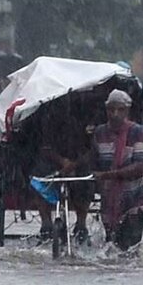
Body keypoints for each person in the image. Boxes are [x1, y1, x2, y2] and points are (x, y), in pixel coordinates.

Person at [85, 89, 143, 251]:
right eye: (111, 109)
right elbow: (93, 162)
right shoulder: (100, 133)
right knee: (112, 248)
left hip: (134, 200)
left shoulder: (137, 132)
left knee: (130, 250)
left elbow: (140, 168)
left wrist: (107, 175)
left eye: (120, 109)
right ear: (106, 110)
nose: (115, 114)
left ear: (127, 111)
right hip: (109, 202)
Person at [30, 98, 94, 243]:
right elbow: (43, 147)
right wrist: (62, 161)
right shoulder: (46, 117)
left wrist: (74, 164)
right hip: (51, 161)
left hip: (78, 162)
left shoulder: (86, 117)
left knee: (88, 179)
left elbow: (91, 149)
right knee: (39, 179)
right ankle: (46, 222)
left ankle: (81, 223)